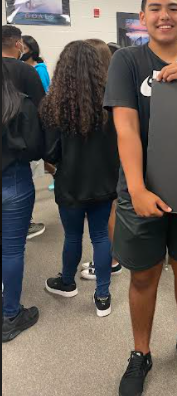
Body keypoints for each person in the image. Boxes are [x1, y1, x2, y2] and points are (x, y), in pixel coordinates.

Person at [104, 0, 177, 396]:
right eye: (155, 8)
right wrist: (135, 188)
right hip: (143, 193)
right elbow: (126, 128)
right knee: (144, 275)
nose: (164, 15)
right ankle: (140, 352)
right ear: (143, 18)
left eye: (173, 8)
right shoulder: (127, 61)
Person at [41, 41, 120, 318]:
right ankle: (103, 296)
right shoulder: (112, 103)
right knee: (100, 235)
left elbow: (50, 153)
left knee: (72, 235)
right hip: (104, 182)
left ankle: (67, 282)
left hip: (70, 183)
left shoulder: (52, 105)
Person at [2, 62, 44, 342]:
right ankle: (11, 315)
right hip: (13, 180)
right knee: (12, 249)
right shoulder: (21, 104)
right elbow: (36, 147)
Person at [80, 38, 122, 281]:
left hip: (109, 162)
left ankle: (112, 260)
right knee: (108, 212)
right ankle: (108, 258)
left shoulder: (106, 91)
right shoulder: (107, 87)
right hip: (110, 160)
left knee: (109, 213)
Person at [2, 25, 46, 239]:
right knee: (13, 248)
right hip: (16, 153)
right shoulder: (26, 71)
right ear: (18, 44)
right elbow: (42, 110)